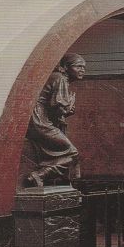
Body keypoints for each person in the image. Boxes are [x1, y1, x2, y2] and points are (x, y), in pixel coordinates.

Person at [24, 53, 84, 187]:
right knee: (72, 153)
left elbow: (56, 109)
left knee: (65, 153)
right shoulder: (60, 78)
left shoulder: (59, 78)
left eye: (83, 67)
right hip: (40, 121)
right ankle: (39, 175)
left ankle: (43, 176)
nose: (82, 70)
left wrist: (66, 110)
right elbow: (57, 109)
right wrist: (67, 109)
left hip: (39, 120)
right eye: (78, 66)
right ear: (66, 67)